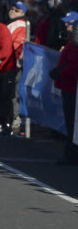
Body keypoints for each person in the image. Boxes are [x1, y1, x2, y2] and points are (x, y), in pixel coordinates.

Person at [49, 11, 78, 165]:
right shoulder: (70, 43)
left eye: (70, 23)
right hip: (68, 87)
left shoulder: (74, 45)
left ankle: (71, 154)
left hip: (72, 88)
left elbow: (73, 66)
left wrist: (59, 73)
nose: (66, 25)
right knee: (70, 122)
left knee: (72, 123)